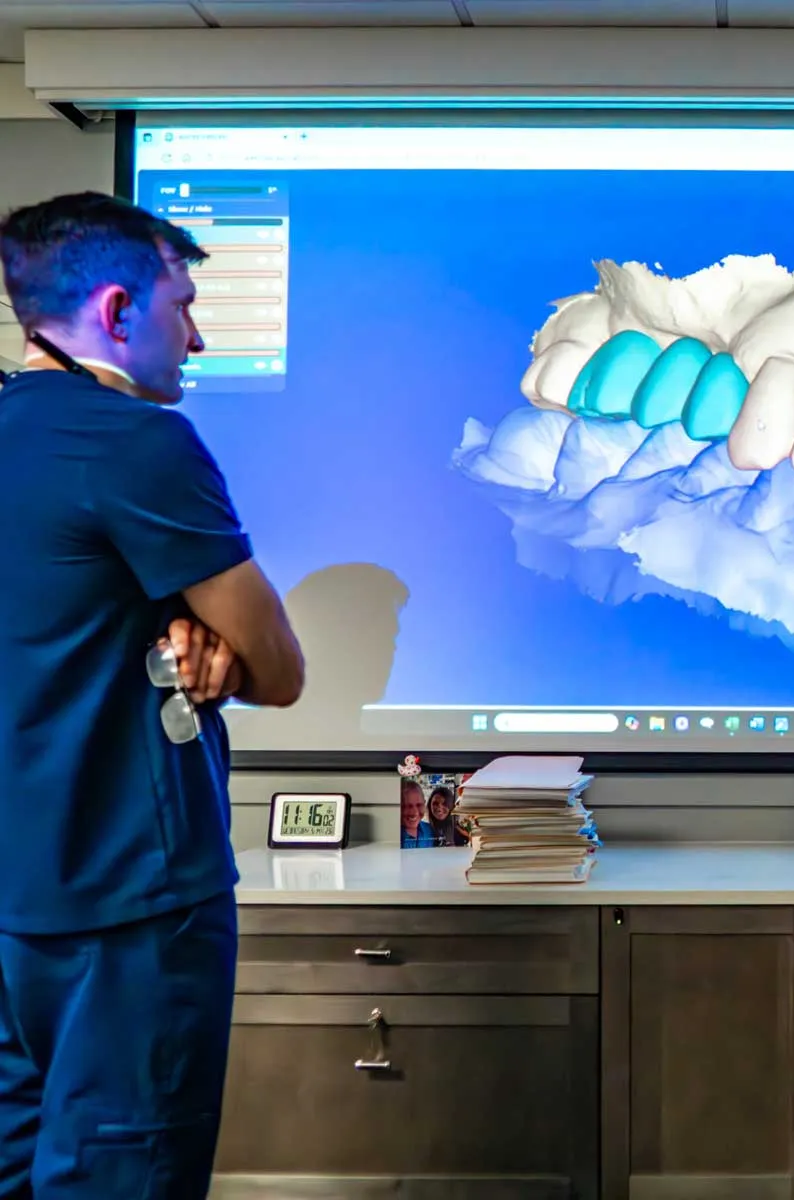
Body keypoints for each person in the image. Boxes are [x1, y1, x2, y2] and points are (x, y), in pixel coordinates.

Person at [0, 192, 305, 1198]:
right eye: (184, 305)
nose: (200, 335)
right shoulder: (134, 443)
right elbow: (283, 670)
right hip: (125, 904)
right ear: (119, 311)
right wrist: (218, 644)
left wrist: (176, 634)